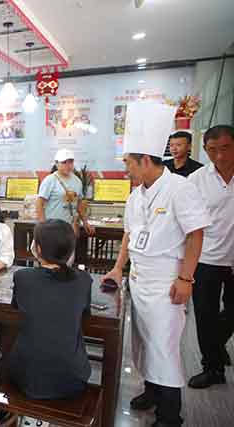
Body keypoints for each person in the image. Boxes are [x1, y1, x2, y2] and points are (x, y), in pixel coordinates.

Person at [102, 102, 210, 427]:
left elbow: (195, 234)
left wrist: (186, 279)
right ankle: (151, 391)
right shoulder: (136, 195)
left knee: (164, 349)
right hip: (139, 279)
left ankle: (170, 416)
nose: (126, 169)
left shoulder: (179, 188)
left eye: (128, 163)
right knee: (143, 344)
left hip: (167, 283)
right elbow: (129, 235)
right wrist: (118, 268)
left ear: (145, 160)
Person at [7, 220, 91, 411]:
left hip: (26, 376)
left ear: (37, 248)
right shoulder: (84, 280)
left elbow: (16, 306)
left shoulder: (23, 277)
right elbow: (85, 312)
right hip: (72, 377)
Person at [186, 125, 234, 388]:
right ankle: (213, 368)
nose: (220, 156)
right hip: (205, 259)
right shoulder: (197, 180)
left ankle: (216, 343)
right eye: (212, 150)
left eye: (226, 148)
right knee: (205, 315)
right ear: (205, 150)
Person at [37, 149, 94, 237]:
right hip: (52, 228)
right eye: (64, 162)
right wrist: (43, 226)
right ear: (56, 163)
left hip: (70, 229)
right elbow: (39, 204)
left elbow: (79, 205)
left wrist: (85, 222)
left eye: (70, 162)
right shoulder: (50, 180)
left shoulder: (77, 181)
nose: (68, 165)